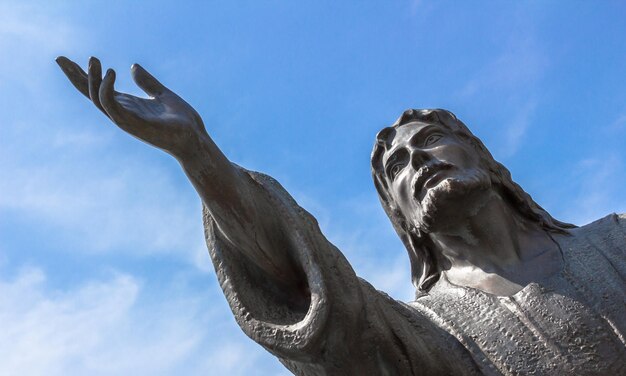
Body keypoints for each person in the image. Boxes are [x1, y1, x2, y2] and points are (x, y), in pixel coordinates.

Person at [58, 57, 626, 375]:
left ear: (487, 158)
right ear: (403, 219)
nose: (417, 161)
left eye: (430, 140)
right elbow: (312, 291)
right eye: (397, 167)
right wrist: (199, 156)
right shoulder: (428, 332)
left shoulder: (616, 238)